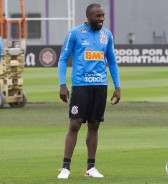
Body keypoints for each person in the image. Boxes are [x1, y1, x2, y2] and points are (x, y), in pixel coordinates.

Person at [57, 3, 121, 179]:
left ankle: (91, 168)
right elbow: (63, 59)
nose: (101, 19)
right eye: (97, 16)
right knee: (75, 124)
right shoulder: (75, 33)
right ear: (88, 17)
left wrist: (118, 86)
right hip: (80, 85)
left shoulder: (106, 35)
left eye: (102, 16)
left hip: (100, 85)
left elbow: (112, 62)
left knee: (94, 125)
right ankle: (65, 167)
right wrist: (62, 84)